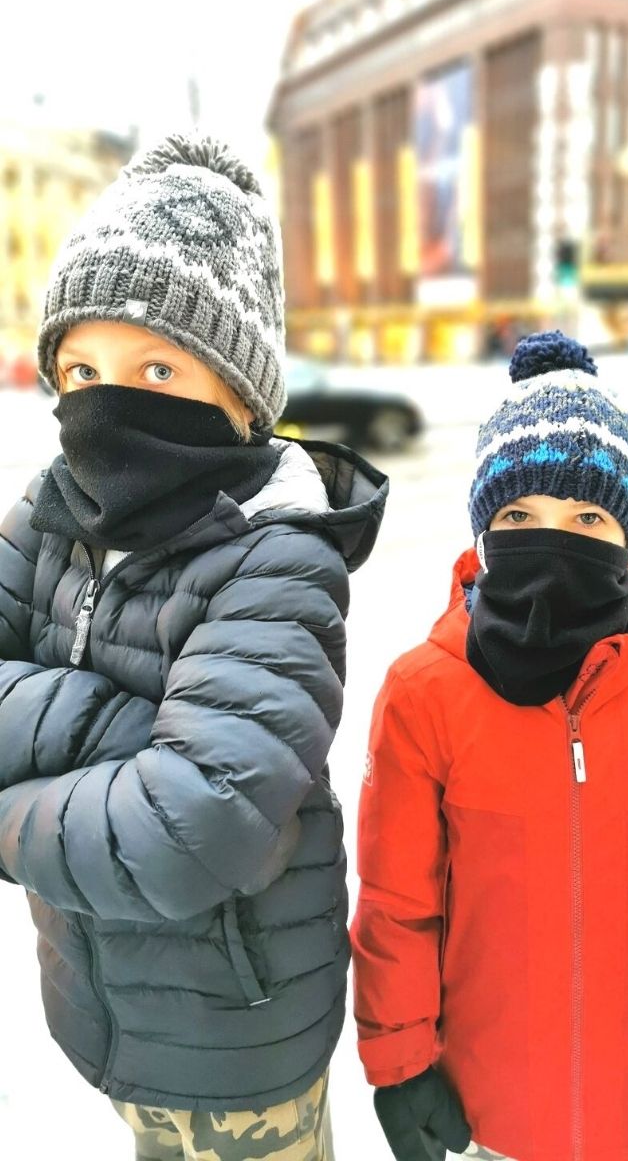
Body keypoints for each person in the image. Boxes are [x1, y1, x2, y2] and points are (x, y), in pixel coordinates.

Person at [0, 133, 387, 1161]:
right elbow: (153, 792)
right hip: (105, 1012)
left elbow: (186, 832)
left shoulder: (278, 559)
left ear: (241, 396)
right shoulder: (52, 513)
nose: (104, 401)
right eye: (79, 367)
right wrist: (124, 734)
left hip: (238, 1043)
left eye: (157, 367)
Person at [351, 331, 628, 1161]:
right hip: (491, 1111)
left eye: (588, 517)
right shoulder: (424, 692)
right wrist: (401, 1061)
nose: (552, 540)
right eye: (520, 516)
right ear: (487, 528)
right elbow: (398, 904)